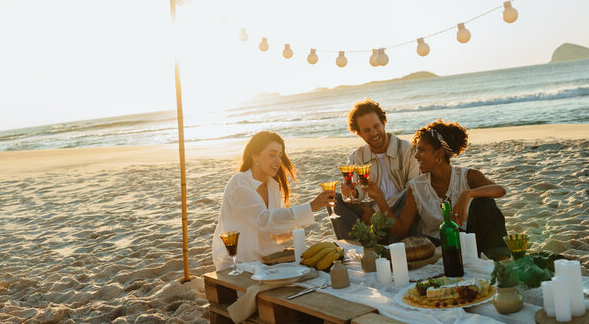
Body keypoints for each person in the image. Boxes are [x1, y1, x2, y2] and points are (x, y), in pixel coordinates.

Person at [364, 119, 510, 259]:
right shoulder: (416, 187)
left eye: (421, 150)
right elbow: (401, 230)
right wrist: (379, 197)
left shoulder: (467, 176)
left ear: (439, 153)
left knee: (484, 204)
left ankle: (502, 261)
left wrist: (469, 193)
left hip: (472, 243)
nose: (416, 155)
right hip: (438, 249)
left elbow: (499, 190)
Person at [212, 131, 335, 271]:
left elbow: (273, 230)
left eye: (280, 156)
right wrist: (311, 207)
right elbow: (263, 220)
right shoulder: (240, 182)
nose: (278, 161)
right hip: (238, 264)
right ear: (255, 156)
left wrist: (286, 231)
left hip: (267, 259)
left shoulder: (272, 186)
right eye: (272, 155)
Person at [330, 99, 420, 241]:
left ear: (384, 122)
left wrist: (377, 212)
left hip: (400, 212)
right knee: (334, 198)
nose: (373, 133)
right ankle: (354, 248)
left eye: (376, 126)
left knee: (412, 191)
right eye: (366, 130)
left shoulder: (408, 150)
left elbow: (413, 191)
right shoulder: (356, 157)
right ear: (359, 133)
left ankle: (376, 240)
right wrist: (352, 193)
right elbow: (358, 192)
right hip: (368, 214)